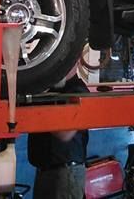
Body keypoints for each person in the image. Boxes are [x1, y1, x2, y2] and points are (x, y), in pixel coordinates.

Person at [27, 63, 89, 199]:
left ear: (76, 63)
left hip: (65, 174)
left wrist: (38, 110)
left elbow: (65, 133)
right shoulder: (51, 90)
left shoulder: (78, 91)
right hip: (48, 172)